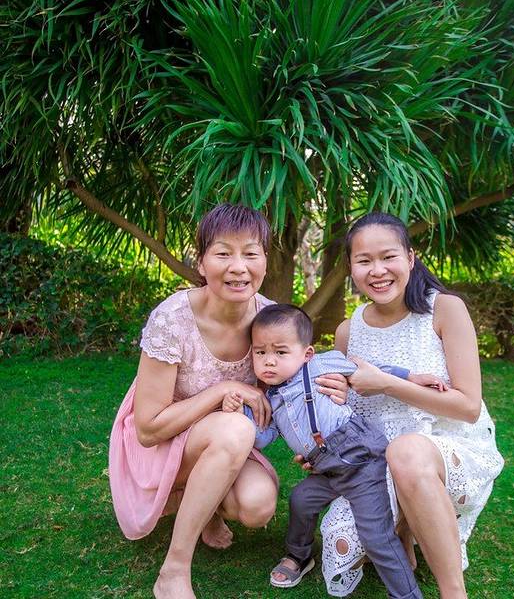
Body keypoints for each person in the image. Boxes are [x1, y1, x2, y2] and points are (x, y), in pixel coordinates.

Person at [108, 204, 347, 599]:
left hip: (224, 442)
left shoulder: (270, 319)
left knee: (257, 506)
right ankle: (174, 569)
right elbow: (148, 429)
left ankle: (206, 505)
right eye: (223, 253)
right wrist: (221, 391)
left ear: (265, 261)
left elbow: (298, 380)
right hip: (161, 443)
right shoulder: (173, 319)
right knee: (235, 428)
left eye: (251, 253)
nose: (239, 267)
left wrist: (330, 404)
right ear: (201, 262)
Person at [317, 212, 505, 599]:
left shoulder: (444, 309)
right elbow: (347, 412)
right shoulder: (348, 331)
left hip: (447, 448)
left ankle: (453, 592)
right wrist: (319, 444)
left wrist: (388, 383)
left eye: (388, 257)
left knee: (407, 451)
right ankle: (404, 532)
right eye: (364, 261)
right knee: (342, 540)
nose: (377, 270)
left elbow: (468, 406)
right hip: (377, 462)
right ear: (350, 267)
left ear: (410, 257)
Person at [223, 304, 447, 598]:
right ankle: (299, 555)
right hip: (326, 469)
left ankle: (407, 594)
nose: (269, 361)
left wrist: (410, 377)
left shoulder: (320, 365)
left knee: (375, 536)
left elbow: (370, 370)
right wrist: (237, 414)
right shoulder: (271, 401)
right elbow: (261, 438)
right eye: (260, 352)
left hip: (361, 462)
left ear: (307, 354)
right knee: (301, 499)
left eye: (280, 352)